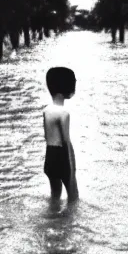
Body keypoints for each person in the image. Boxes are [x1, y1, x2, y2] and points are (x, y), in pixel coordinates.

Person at [43, 66, 79, 201]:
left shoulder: (46, 110)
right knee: (73, 196)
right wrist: (72, 167)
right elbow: (66, 141)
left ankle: (53, 219)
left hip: (50, 156)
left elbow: (46, 136)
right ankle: (70, 222)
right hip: (61, 155)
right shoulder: (64, 113)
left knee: (55, 195)